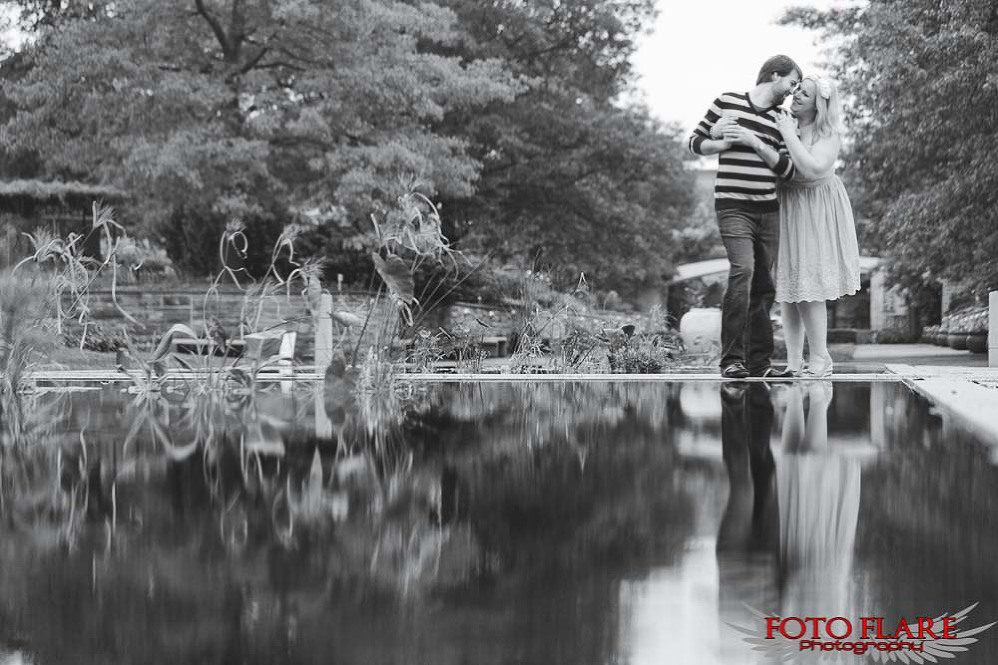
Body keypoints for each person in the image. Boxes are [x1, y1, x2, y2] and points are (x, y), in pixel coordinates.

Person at [689, 55, 801, 379]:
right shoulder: (727, 102)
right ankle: (731, 361)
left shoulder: (782, 119)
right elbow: (695, 142)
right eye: (792, 83)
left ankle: (760, 364)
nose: (792, 91)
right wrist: (721, 140)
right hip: (732, 206)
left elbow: (788, 171)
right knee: (743, 272)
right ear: (775, 74)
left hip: (767, 210)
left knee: (764, 287)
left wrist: (754, 142)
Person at [749, 76, 861, 377]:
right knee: (788, 285)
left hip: (815, 207)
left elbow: (813, 168)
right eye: (796, 89)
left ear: (819, 103)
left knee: (809, 285)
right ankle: (795, 362)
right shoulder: (785, 122)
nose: (796, 95)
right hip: (785, 204)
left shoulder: (828, 132)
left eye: (805, 93)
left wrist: (788, 134)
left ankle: (821, 358)